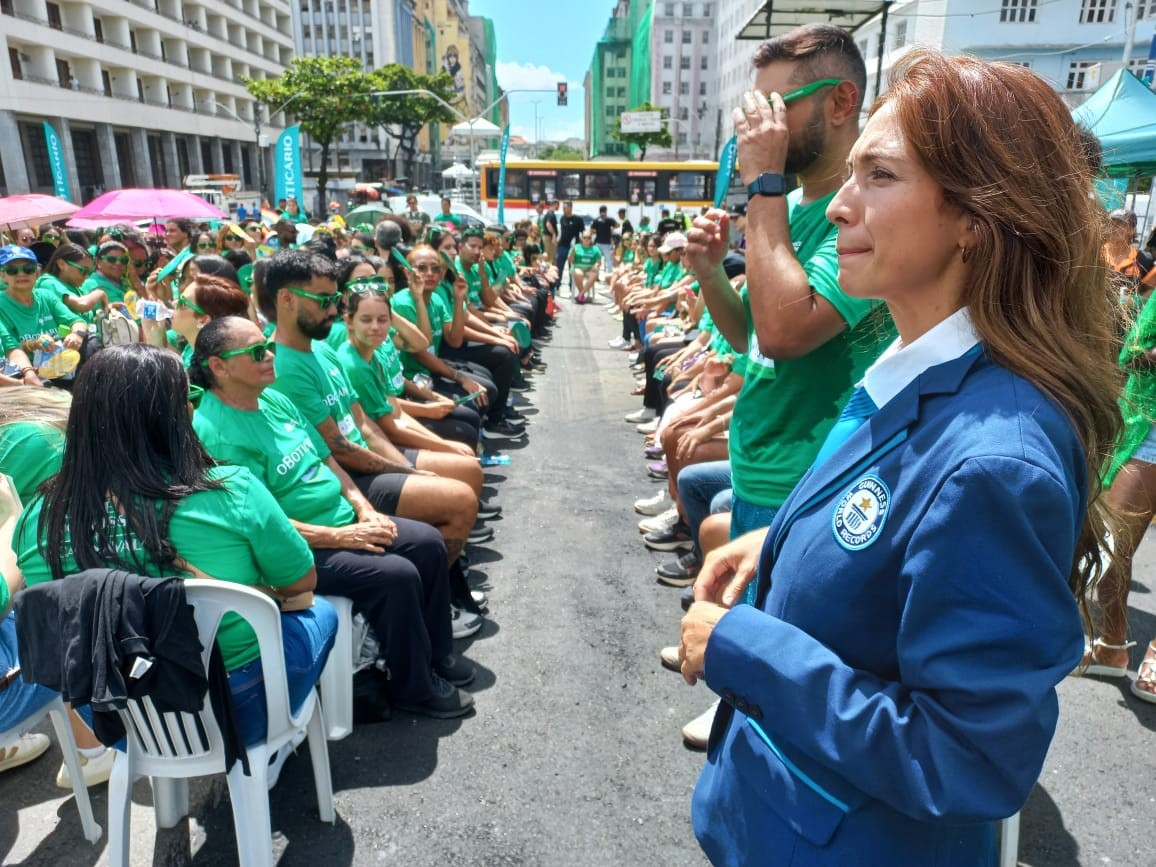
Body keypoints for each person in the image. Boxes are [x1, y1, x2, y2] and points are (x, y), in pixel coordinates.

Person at [679, 48, 1119, 864]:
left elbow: (968, 757)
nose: (841, 207)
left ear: (976, 218)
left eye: (879, 176)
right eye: (850, 175)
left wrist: (742, 644)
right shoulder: (916, 369)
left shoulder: (999, 460)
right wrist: (776, 543)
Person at [14, 344, 339, 750]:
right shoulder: (232, 489)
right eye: (190, 398)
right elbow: (299, 582)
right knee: (322, 610)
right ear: (172, 414)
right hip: (238, 707)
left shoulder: (39, 517)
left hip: (121, 718)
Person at [189, 317, 476, 718]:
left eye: (266, 345)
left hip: (345, 519)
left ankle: (435, 655)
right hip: (298, 547)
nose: (270, 355)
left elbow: (324, 460)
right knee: (395, 575)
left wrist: (364, 508)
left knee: (427, 544)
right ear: (219, 366)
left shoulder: (272, 398)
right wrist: (341, 537)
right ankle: (413, 688)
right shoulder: (216, 433)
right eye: (256, 352)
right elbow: (258, 525)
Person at [0, 245, 87, 387]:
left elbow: (77, 321)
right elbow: (11, 348)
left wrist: (76, 334)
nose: (21, 274)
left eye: (28, 269)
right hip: (26, 372)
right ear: (3, 275)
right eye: (12, 270)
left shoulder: (46, 296)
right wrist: (29, 370)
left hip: (61, 365)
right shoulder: (1, 304)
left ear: (37, 272)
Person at [567, 232, 602, 304]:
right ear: (581, 238)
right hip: (578, 267)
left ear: (591, 239)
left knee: (594, 275)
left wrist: (596, 265)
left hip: (590, 269)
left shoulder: (595, 249)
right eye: (585, 237)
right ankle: (582, 295)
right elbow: (570, 261)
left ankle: (581, 295)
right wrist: (573, 252)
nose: (586, 239)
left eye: (588, 238)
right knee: (578, 274)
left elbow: (598, 262)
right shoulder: (576, 247)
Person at [555, 201, 585, 277]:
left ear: (570, 208)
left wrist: (583, 243)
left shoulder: (578, 219)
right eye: (563, 208)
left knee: (572, 267)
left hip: (574, 247)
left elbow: (583, 232)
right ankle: (557, 285)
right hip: (562, 246)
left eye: (565, 208)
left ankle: (572, 286)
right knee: (559, 266)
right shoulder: (562, 218)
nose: (564, 209)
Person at [590, 205, 619, 279]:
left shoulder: (596, 220)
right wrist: (611, 228)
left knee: (597, 260)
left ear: (599, 211)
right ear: (606, 211)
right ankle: (610, 277)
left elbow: (592, 230)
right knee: (609, 260)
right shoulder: (610, 219)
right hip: (607, 242)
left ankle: (596, 277)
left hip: (598, 242)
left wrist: (598, 230)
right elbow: (617, 225)